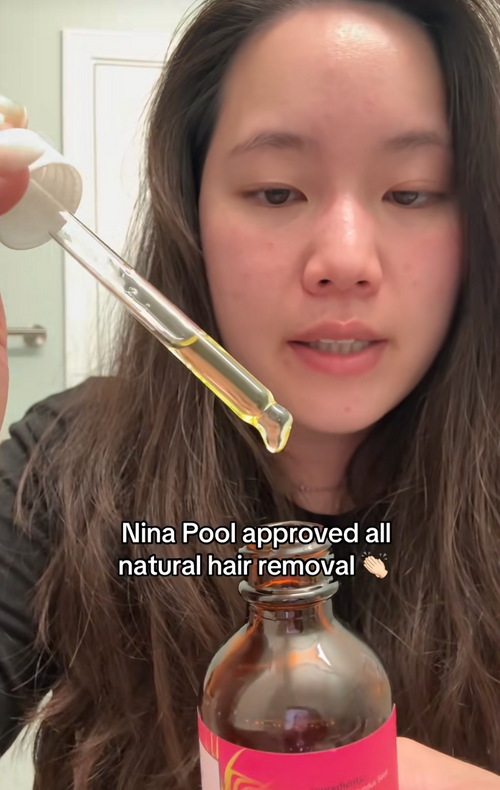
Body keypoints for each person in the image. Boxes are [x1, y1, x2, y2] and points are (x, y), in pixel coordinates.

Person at [0, 0, 500, 787]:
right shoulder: (62, 466)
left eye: (412, 192)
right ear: (191, 214)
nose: (345, 260)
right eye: (275, 192)